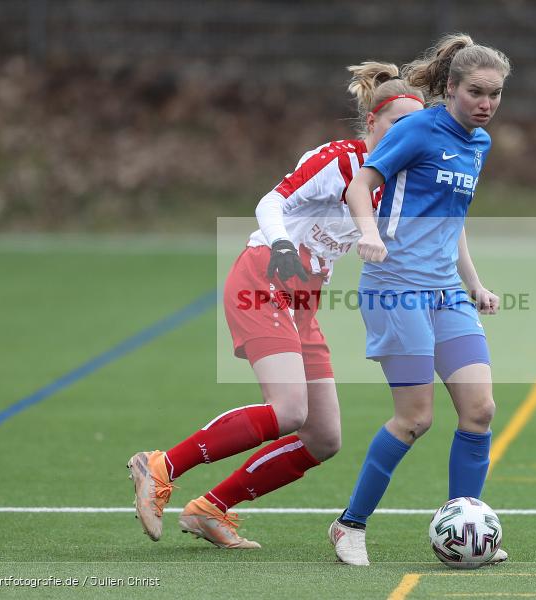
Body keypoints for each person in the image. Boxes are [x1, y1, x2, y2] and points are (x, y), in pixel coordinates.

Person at [127, 63, 425, 549]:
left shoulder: (396, 184)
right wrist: (283, 244)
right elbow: (271, 202)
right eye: (396, 124)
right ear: (372, 123)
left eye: (414, 129)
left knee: (323, 436)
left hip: (303, 303)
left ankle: (209, 509)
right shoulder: (341, 159)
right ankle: (160, 466)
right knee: (288, 410)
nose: (403, 136)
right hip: (264, 274)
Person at [327, 34, 511, 566]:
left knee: (479, 410)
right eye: (476, 92)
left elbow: (451, 223)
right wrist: (369, 234)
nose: (486, 103)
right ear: (450, 88)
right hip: (394, 288)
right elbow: (361, 185)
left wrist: (474, 284)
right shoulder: (417, 129)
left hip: (445, 293)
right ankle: (349, 525)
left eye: (495, 94)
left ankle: (466, 524)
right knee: (415, 419)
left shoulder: (479, 143)